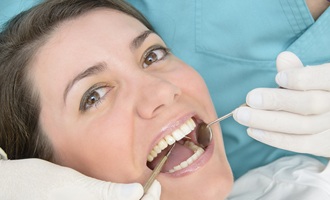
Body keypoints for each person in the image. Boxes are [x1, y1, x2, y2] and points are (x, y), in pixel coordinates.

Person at [0, 0, 330, 199]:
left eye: (152, 55)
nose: (161, 90)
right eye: (93, 96)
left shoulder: (302, 185)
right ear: (42, 170)